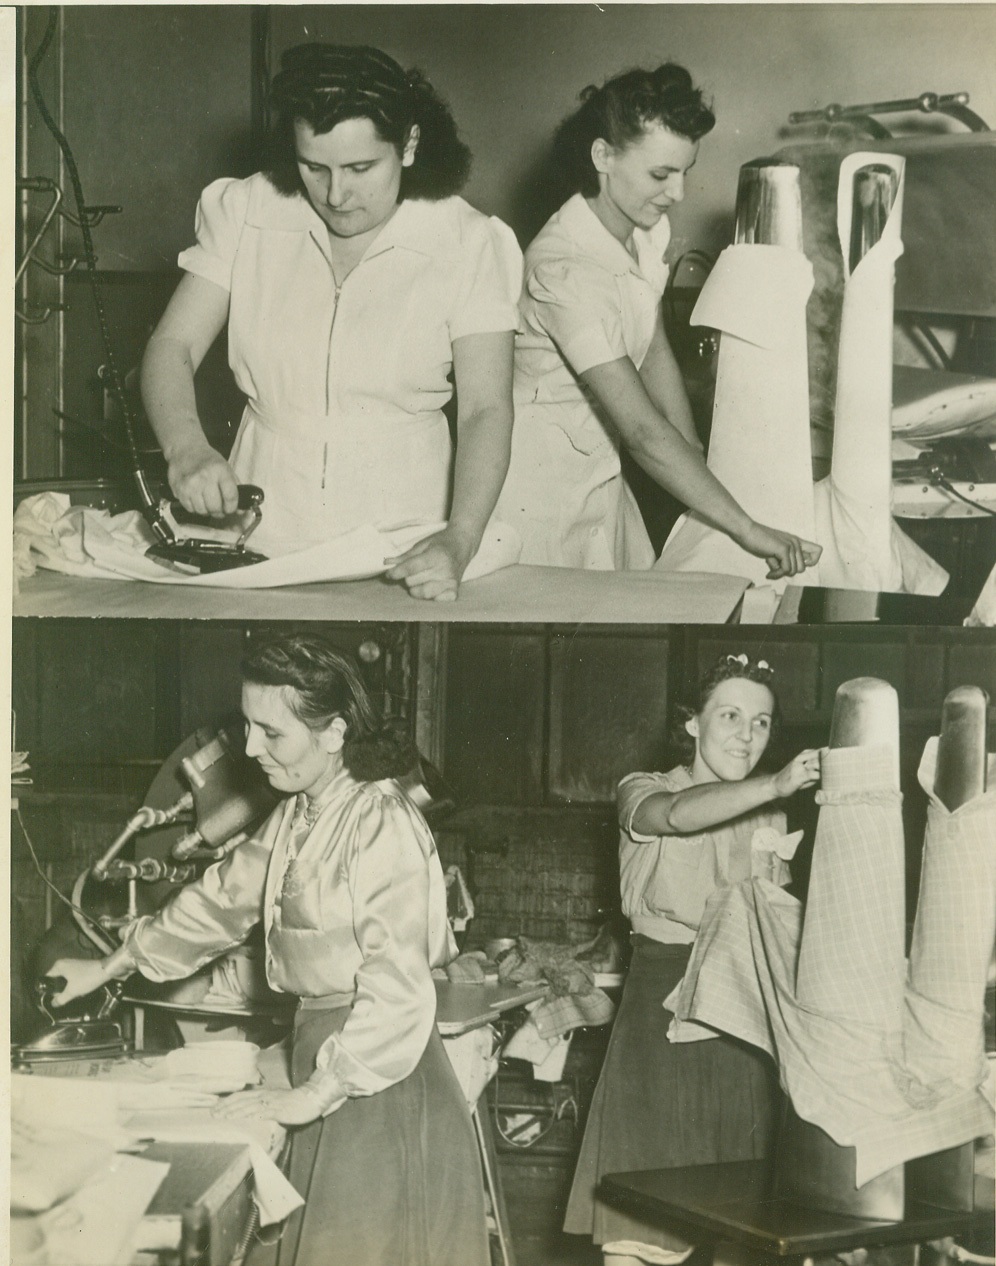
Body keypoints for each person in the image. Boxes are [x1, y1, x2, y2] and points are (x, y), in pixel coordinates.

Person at [47, 632, 489, 1266]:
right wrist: (108, 965)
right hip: (329, 1066)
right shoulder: (300, 811)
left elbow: (397, 986)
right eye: (248, 728)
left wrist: (311, 1094)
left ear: (334, 732)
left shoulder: (379, 819)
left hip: (379, 1079)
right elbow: (221, 900)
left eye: (271, 734)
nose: (251, 750)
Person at [141, 43, 521, 601]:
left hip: (406, 538)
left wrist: (459, 540)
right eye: (313, 167)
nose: (336, 194)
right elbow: (172, 344)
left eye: (361, 168)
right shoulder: (249, 211)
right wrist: (186, 448)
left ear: (409, 145)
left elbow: (488, 408)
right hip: (260, 527)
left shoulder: (467, 242)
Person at [495, 64, 821, 578]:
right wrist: (748, 529)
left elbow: (651, 345)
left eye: (684, 172)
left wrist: (697, 462)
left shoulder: (644, 236)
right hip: (536, 505)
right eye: (660, 175)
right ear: (602, 156)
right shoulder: (564, 269)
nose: (678, 194)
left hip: (602, 486)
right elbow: (643, 430)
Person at [564, 653, 822, 1266]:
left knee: (742, 1225)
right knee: (641, 1219)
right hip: (661, 1008)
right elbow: (678, 818)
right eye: (729, 715)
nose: (746, 734)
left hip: (743, 1018)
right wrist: (778, 782)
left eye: (761, 723)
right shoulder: (644, 788)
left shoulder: (771, 814)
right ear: (692, 724)